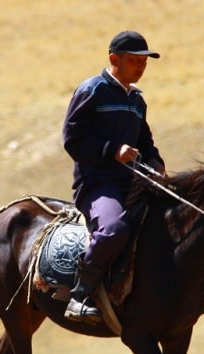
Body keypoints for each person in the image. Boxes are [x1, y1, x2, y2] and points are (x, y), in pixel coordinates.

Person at [62, 31, 166, 324]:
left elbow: (144, 142)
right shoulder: (91, 90)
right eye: (134, 61)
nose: (140, 67)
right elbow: (73, 140)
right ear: (113, 59)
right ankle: (79, 296)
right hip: (97, 184)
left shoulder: (137, 100)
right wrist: (112, 150)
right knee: (114, 229)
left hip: (133, 183)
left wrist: (156, 162)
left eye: (144, 62)